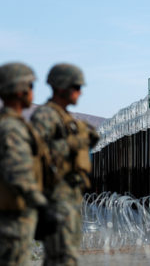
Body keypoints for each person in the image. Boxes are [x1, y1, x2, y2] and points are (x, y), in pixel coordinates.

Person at [31, 63, 99, 266]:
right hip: (55, 200)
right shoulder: (45, 116)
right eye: (76, 87)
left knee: (65, 257)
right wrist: (79, 140)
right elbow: (39, 153)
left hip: (68, 198)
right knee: (61, 258)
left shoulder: (66, 118)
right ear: (62, 88)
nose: (80, 93)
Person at [0, 63, 48, 265]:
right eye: (30, 87)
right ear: (19, 90)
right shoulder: (12, 128)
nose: (32, 93)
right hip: (13, 220)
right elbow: (18, 172)